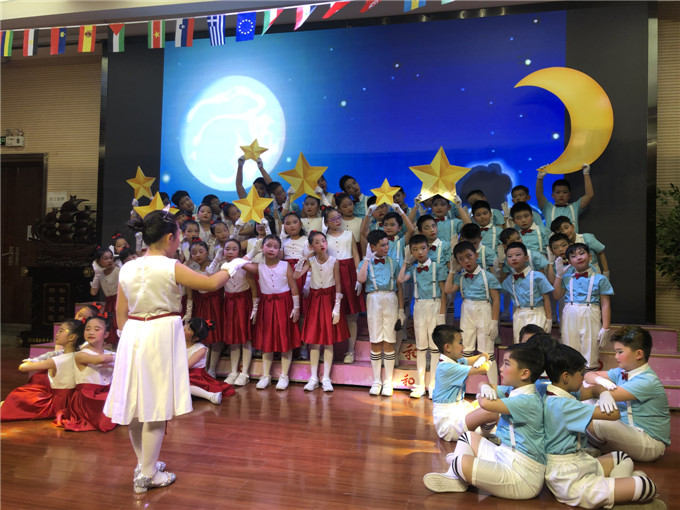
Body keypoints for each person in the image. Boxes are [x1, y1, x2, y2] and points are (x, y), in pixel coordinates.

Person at [104, 209, 237, 493]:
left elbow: (120, 315)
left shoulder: (127, 267)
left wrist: (133, 337)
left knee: (136, 405)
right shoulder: (169, 265)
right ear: (169, 238)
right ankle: (147, 475)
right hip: (160, 333)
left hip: (132, 333)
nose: (179, 241)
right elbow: (211, 283)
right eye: (178, 235)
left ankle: (145, 464)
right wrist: (234, 265)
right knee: (155, 406)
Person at [423, 343, 546, 501]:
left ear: (524, 374)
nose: (501, 368)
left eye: (507, 364)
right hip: (505, 455)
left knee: (460, 461)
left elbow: (486, 404)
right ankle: (456, 476)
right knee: (467, 437)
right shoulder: (514, 389)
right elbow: (484, 384)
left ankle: (457, 469)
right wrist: (485, 388)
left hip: (522, 476)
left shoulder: (527, 400)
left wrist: (484, 391)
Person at [544, 343, 660, 508]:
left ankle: (616, 489)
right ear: (566, 377)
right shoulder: (564, 404)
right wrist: (606, 396)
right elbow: (614, 414)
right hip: (569, 477)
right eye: (581, 374)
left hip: (578, 462)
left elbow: (593, 389)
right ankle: (619, 489)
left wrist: (603, 392)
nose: (583, 378)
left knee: (621, 457)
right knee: (647, 486)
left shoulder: (553, 392)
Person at [584, 326, 670, 462]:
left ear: (639, 354)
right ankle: (598, 446)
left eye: (620, 352)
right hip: (627, 431)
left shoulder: (647, 380)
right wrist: (599, 380)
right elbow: (588, 375)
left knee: (593, 417)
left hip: (649, 442)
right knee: (585, 399)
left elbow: (604, 394)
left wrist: (595, 387)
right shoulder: (622, 371)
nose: (616, 356)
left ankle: (595, 446)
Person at [240, 235, 302, 390]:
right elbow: (239, 263)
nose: (272, 249)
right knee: (267, 340)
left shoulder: (285, 265)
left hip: (284, 305)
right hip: (267, 305)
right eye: (268, 246)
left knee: (285, 340)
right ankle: (266, 375)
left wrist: (296, 308)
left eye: (275, 247)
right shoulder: (258, 267)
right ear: (262, 247)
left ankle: (284, 375)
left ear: (279, 250)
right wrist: (253, 251)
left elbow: (293, 287)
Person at [294, 231, 349, 392]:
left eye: (323, 241)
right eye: (316, 242)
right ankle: (313, 377)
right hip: (315, 300)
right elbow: (296, 275)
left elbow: (338, 285)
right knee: (314, 340)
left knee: (328, 341)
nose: (321, 244)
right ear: (312, 246)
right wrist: (304, 257)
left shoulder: (334, 261)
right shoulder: (310, 261)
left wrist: (337, 307)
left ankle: (326, 378)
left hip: (329, 300)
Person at [1, 319, 82, 421]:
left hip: (57, 402)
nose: (57, 334)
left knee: (18, 395)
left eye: (61, 331)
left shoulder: (59, 359)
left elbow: (23, 367)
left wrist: (34, 361)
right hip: (71, 400)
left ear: (72, 337)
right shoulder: (80, 355)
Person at [397, 235, 447, 398]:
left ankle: (433, 385)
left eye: (423, 248)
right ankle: (420, 385)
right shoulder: (412, 269)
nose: (419, 252)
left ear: (428, 248)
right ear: (411, 252)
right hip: (419, 306)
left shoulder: (438, 267)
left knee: (435, 348)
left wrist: (442, 314)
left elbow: (444, 292)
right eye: (415, 250)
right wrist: (406, 261)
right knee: (421, 347)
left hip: (435, 305)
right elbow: (400, 279)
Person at [444, 241, 501, 384]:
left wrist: (494, 322)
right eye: (461, 259)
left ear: (476, 255)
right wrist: (452, 271)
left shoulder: (488, 276)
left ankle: (494, 387)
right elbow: (448, 290)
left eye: (469, 256)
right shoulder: (460, 277)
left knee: (487, 352)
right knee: (466, 349)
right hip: (467, 310)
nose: (466, 261)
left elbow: (496, 300)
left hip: (484, 310)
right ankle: (464, 386)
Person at [430, 325, 499, 441]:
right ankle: (484, 435)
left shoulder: (455, 361)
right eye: (460, 343)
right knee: (492, 411)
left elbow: (484, 355)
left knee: (489, 403)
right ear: (447, 347)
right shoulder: (446, 367)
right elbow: (484, 369)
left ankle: (487, 434)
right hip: (449, 422)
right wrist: (487, 361)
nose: (464, 347)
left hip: (459, 409)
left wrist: (484, 358)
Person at [357, 229, 404, 396]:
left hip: (390, 298)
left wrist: (401, 310)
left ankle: (388, 381)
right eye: (382, 245)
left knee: (389, 340)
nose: (386, 248)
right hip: (374, 299)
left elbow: (399, 286)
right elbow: (361, 279)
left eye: (387, 244)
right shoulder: (366, 263)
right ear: (372, 247)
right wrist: (367, 259)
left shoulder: (393, 262)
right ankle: (376, 380)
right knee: (376, 340)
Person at [553, 243, 614, 370]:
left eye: (582, 253)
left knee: (590, 346)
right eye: (573, 256)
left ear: (590, 256)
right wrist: (559, 276)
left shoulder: (600, 279)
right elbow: (556, 295)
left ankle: (588, 374)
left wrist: (606, 328)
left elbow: (605, 304)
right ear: (569, 261)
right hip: (570, 311)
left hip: (591, 312)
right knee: (569, 347)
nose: (579, 258)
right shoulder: (567, 278)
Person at [56, 315, 116, 432]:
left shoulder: (110, 354)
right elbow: (100, 359)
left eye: (96, 329)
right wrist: (121, 356)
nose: (91, 332)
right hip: (87, 397)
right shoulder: (81, 355)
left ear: (106, 334)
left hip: (105, 394)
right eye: (87, 329)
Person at [324, 207, 365, 364]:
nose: (337, 221)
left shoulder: (349, 234)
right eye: (333, 219)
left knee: (351, 316)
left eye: (338, 217)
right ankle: (328, 350)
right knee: (330, 314)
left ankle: (351, 351)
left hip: (348, 275)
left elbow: (356, 255)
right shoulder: (324, 237)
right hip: (331, 275)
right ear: (326, 222)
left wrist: (358, 276)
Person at [214, 239, 257, 386]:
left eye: (234, 249)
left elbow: (253, 288)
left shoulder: (245, 266)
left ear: (239, 252)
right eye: (227, 249)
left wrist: (255, 307)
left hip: (244, 302)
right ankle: (233, 372)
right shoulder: (221, 266)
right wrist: (216, 259)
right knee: (233, 339)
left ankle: (244, 373)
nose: (230, 252)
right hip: (230, 303)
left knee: (245, 338)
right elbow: (209, 275)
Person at [501, 242, 553, 342]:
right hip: (519, 314)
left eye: (518, 255)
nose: (514, 258)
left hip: (537, 313)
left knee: (536, 344)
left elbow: (546, 299)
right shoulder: (509, 280)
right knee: (519, 344)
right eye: (510, 256)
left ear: (526, 258)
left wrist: (549, 320)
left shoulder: (538, 276)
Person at [185, 318, 235, 404]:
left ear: (195, 338)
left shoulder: (201, 349)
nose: (184, 328)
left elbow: (186, 366)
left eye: (188, 329)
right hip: (182, 372)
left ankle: (210, 396)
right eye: (186, 325)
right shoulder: (179, 343)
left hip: (195, 376)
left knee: (183, 383)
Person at [184, 240, 223, 347]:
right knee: (205, 334)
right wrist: (188, 315)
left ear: (207, 252)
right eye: (194, 253)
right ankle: (206, 355)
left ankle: (214, 356)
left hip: (217, 303)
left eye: (201, 251)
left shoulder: (218, 266)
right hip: (203, 306)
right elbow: (190, 296)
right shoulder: (193, 272)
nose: (198, 255)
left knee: (217, 332)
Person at [536, 164, 594, 233]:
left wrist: (586, 174)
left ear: (569, 195)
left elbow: (589, 195)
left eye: (565, 192)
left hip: (572, 240)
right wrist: (540, 178)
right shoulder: (547, 208)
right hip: (553, 240)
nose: (561, 195)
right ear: (552, 195)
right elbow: (539, 195)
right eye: (558, 192)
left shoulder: (575, 207)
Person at [90, 246, 119, 344]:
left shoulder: (118, 271)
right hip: (109, 304)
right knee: (110, 328)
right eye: (105, 258)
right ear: (98, 261)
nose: (109, 260)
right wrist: (97, 275)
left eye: (111, 257)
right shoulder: (100, 274)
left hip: (119, 302)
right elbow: (93, 292)